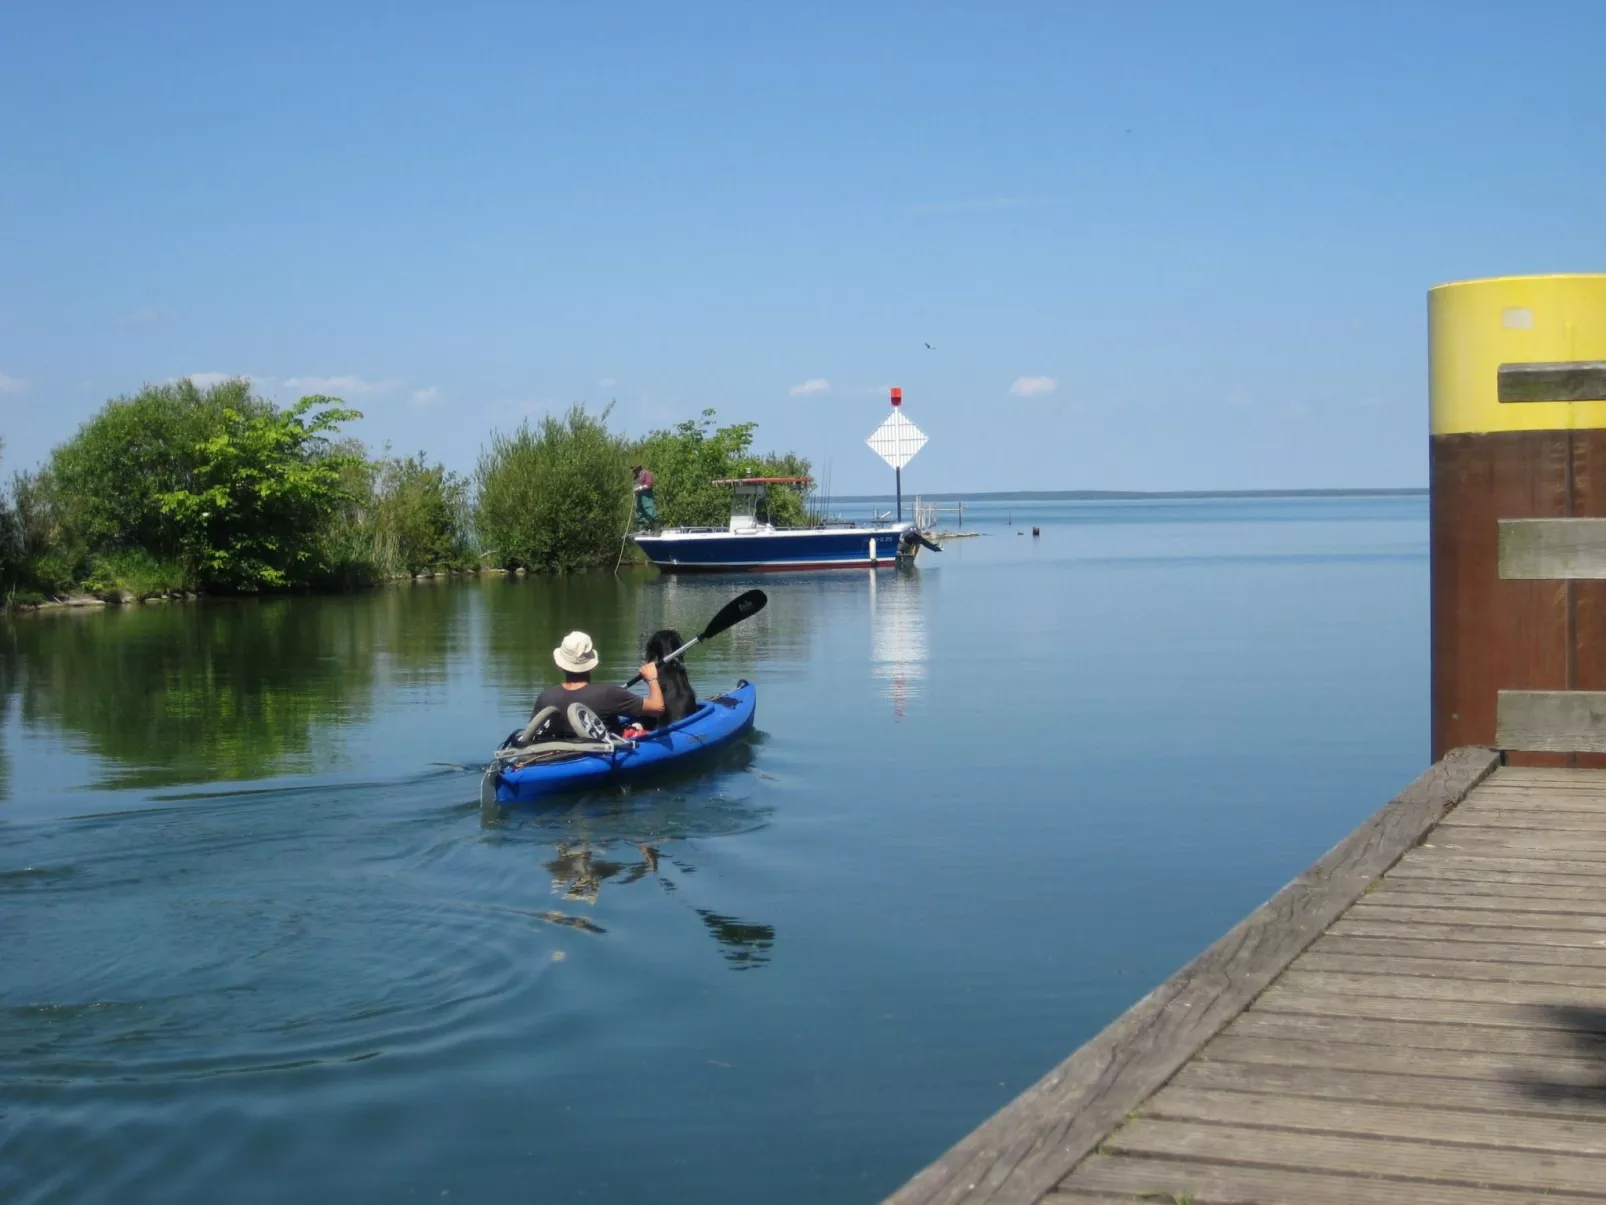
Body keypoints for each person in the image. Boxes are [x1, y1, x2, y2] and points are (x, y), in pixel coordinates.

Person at [531, 631, 663, 736]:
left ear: (560, 666)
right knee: (646, 722)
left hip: (558, 756)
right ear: (592, 666)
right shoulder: (609, 693)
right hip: (602, 754)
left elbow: (533, 733)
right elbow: (657, 708)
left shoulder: (545, 697)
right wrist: (652, 678)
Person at [643, 628, 698, 725]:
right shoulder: (681, 671)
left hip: (669, 724)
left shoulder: (656, 675)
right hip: (688, 721)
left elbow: (655, 707)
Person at [632, 464, 658, 530]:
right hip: (638, 498)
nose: (634, 471)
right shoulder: (635, 477)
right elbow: (634, 489)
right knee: (639, 514)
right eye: (633, 470)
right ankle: (641, 530)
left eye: (635, 469)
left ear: (639, 468)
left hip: (647, 497)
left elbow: (649, 484)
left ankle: (656, 531)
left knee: (650, 511)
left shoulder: (647, 473)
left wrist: (639, 488)